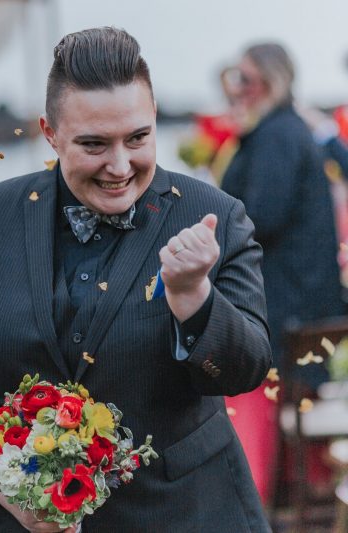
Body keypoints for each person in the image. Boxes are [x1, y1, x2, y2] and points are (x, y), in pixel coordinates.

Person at [0, 27, 272, 532]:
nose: (120, 166)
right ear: (49, 132)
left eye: (138, 138)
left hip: (180, 512)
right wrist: (7, 488)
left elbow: (247, 368)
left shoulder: (214, 215)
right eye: (94, 145)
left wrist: (195, 297)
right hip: (8, 519)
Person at [220, 43, 347, 504]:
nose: (236, 89)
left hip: (283, 311)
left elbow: (260, 216)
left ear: (270, 82)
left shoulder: (277, 136)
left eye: (244, 79)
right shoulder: (286, 132)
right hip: (299, 307)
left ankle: (251, 500)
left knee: (240, 383)